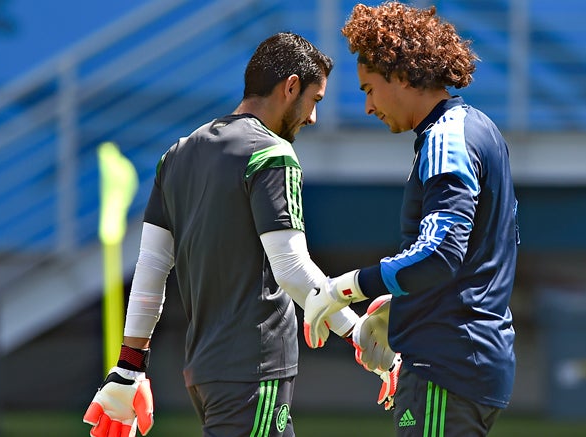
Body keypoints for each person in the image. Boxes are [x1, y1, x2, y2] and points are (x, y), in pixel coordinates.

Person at [83, 31, 390, 437]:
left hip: (207, 375)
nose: (313, 117)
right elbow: (292, 268)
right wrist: (356, 331)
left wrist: (128, 365)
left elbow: (152, 269)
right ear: (291, 87)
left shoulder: (176, 155)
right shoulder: (272, 153)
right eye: (314, 101)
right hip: (255, 372)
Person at [303, 2, 520, 436]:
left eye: (369, 88)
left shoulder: (446, 140)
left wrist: (345, 288)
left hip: (447, 366)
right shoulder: (475, 127)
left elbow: (440, 254)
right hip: (465, 361)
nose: (367, 106)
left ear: (400, 75)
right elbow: (471, 256)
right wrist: (404, 304)